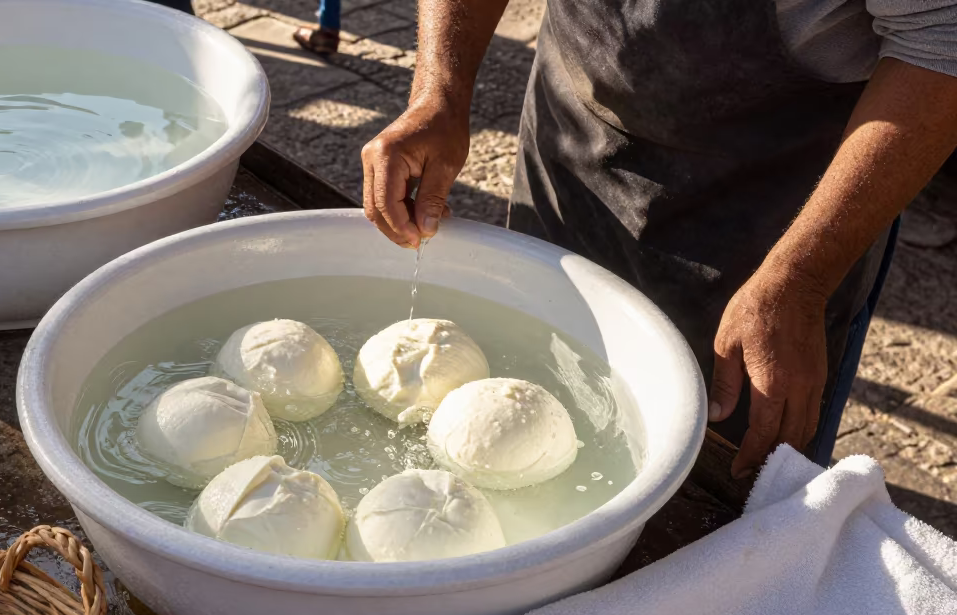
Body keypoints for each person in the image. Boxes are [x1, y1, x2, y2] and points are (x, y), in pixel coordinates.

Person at [361, 0, 957, 478]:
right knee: (534, 401)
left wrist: (800, 277)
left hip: (770, 214)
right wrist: (440, 91)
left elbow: (941, 39)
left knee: (719, 475)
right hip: (571, 142)